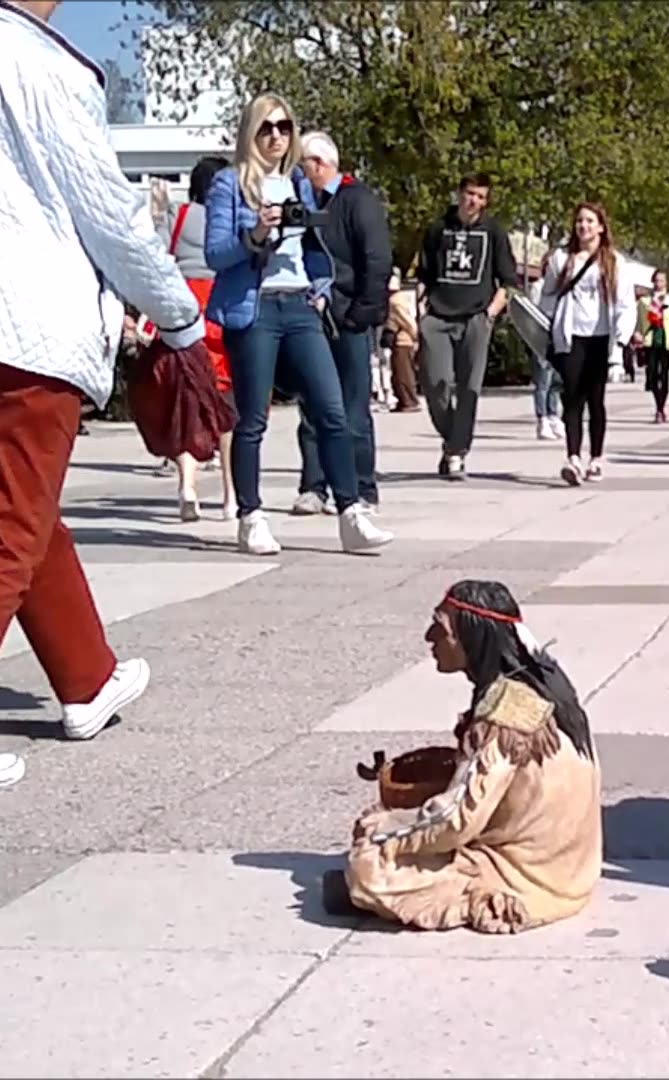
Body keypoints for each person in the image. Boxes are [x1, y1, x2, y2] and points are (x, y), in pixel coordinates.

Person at [0, 0, 187, 793]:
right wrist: (177, 317)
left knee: (19, 510)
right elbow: (110, 216)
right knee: (6, 528)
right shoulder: (51, 70)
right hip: (28, 331)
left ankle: (87, 677)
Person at [338, 580, 602, 933]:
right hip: (572, 866)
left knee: (368, 866)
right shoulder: (545, 682)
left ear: (472, 638)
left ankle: (476, 895)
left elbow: (457, 819)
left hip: (531, 878)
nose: (429, 637)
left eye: (441, 628)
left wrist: (387, 830)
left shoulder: (504, 716)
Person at [205, 94, 392, 557]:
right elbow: (215, 255)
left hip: (300, 306)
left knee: (332, 409)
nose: (276, 136)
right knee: (252, 418)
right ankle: (251, 516)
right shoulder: (229, 185)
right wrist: (255, 236)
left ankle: (351, 512)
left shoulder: (298, 185)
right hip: (255, 309)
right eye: (266, 127)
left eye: (284, 127)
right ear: (250, 132)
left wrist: (322, 283)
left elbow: (314, 245)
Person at [290, 132, 393, 516]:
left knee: (353, 407)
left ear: (319, 164)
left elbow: (377, 258)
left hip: (348, 316)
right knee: (312, 406)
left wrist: (362, 312)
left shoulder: (357, 200)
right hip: (311, 314)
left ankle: (362, 488)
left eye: (303, 165)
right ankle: (314, 486)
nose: (300, 172)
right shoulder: (302, 203)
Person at [418, 173, 516, 481]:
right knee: (436, 385)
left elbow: (508, 281)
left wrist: (490, 313)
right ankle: (453, 439)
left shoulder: (494, 232)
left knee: (469, 388)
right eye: (470, 193)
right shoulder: (438, 229)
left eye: (481, 197)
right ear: (460, 194)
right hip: (438, 316)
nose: (473, 201)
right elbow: (424, 273)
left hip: (475, 317)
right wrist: (420, 309)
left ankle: (457, 452)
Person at [537, 202, 640, 485]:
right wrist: (546, 324)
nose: (583, 226)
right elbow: (547, 295)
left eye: (590, 221)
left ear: (601, 227)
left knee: (596, 400)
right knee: (572, 397)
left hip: (601, 337)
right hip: (571, 337)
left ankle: (595, 457)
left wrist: (619, 343)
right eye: (580, 221)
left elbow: (625, 305)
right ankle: (573, 458)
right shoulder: (561, 259)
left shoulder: (614, 261)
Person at [161, 154, 238, 523]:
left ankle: (187, 487)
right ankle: (231, 497)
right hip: (222, 305)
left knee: (187, 401)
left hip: (184, 309)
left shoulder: (177, 216)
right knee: (227, 405)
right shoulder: (232, 216)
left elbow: (158, 258)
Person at [638, 269, 669, 424]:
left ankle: (661, 408)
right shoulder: (645, 301)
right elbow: (640, 321)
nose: (658, 283)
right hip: (651, 340)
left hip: (666, 341)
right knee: (653, 373)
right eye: (656, 280)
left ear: (666, 282)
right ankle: (657, 403)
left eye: (661, 280)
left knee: (664, 374)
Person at [385, 272, 421, 412]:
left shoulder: (395, 300)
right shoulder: (396, 299)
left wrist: (415, 335)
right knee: (399, 372)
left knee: (403, 373)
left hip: (403, 340)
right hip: (400, 339)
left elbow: (407, 321)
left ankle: (409, 401)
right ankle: (404, 399)